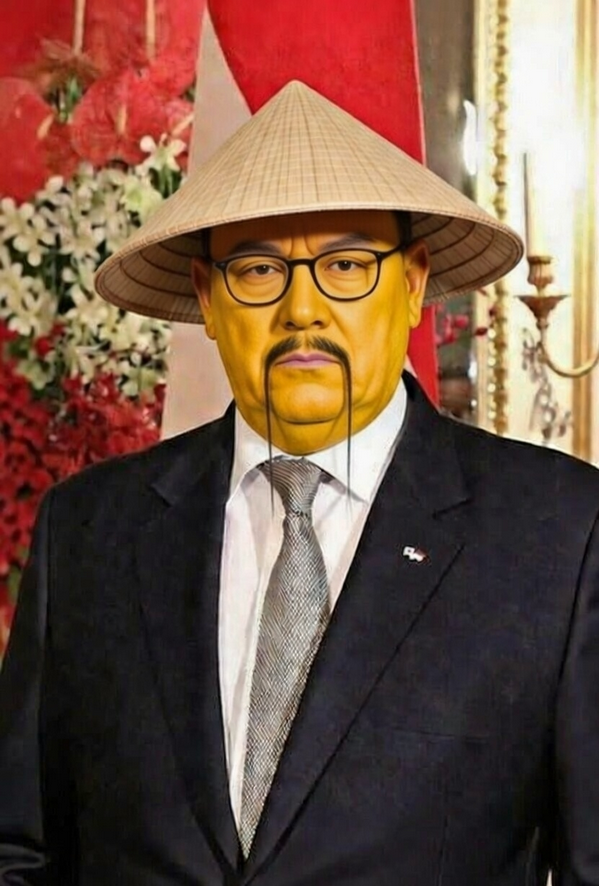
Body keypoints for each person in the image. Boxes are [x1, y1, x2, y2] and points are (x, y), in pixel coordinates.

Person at [0, 80, 598, 886]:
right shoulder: (90, 530)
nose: (302, 309)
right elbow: (21, 849)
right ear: (207, 298)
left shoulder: (557, 534)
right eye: (257, 271)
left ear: (412, 284)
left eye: (346, 265)